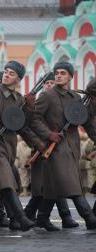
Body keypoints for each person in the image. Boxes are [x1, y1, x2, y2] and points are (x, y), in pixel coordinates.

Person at [0, 61, 43, 232]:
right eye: (5, 71)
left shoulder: (19, 100)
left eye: (11, 73)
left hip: (8, 145)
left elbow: (22, 125)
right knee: (5, 180)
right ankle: (21, 217)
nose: (6, 74)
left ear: (18, 79)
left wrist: (29, 107)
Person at [30, 64, 96, 230]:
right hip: (54, 146)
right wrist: (48, 134)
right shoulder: (47, 96)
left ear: (70, 77)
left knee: (54, 187)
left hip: (72, 145)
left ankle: (42, 218)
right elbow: (34, 118)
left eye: (63, 73)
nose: (58, 76)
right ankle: (89, 217)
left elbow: (86, 121)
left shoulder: (75, 98)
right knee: (71, 183)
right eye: (57, 73)